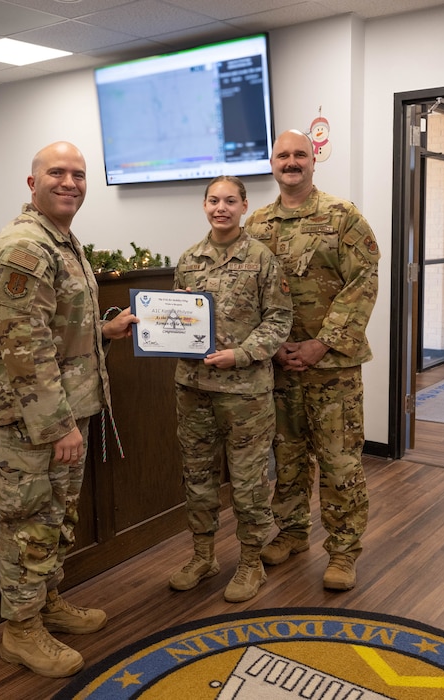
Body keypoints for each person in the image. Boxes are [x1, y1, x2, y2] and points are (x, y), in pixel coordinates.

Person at [0, 142, 138, 678]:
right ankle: (20, 632)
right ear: (32, 183)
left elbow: (56, 327)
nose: (70, 182)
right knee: (28, 523)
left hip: (65, 409)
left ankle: (45, 605)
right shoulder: (26, 246)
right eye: (57, 173)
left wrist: (104, 331)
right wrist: (59, 424)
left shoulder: (62, 241)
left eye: (78, 174)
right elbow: (24, 346)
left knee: (56, 517)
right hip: (32, 421)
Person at [243, 129, 380, 592]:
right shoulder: (256, 224)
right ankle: (293, 532)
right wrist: (273, 346)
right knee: (287, 455)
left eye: (300, 154)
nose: (291, 161)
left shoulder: (343, 217)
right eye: (283, 155)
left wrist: (322, 342)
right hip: (278, 365)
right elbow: (248, 294)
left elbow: (363, 282)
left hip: (332, 367)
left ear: (313, 159)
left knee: (340, 461)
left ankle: (343, 551)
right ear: (272, 162)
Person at [169, 175, 292, 602]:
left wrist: (238, 354)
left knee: (248, 482)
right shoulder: (187, 260)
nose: (221, 207)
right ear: (204, 206)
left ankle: (251, 563)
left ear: (243, 206)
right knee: (197, 476)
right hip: (193, 386)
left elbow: (279, 321)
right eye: (213, 200)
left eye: (229, 201)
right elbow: (176, 319)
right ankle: (203, 556)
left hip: (245, 392)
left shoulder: (262, 259)